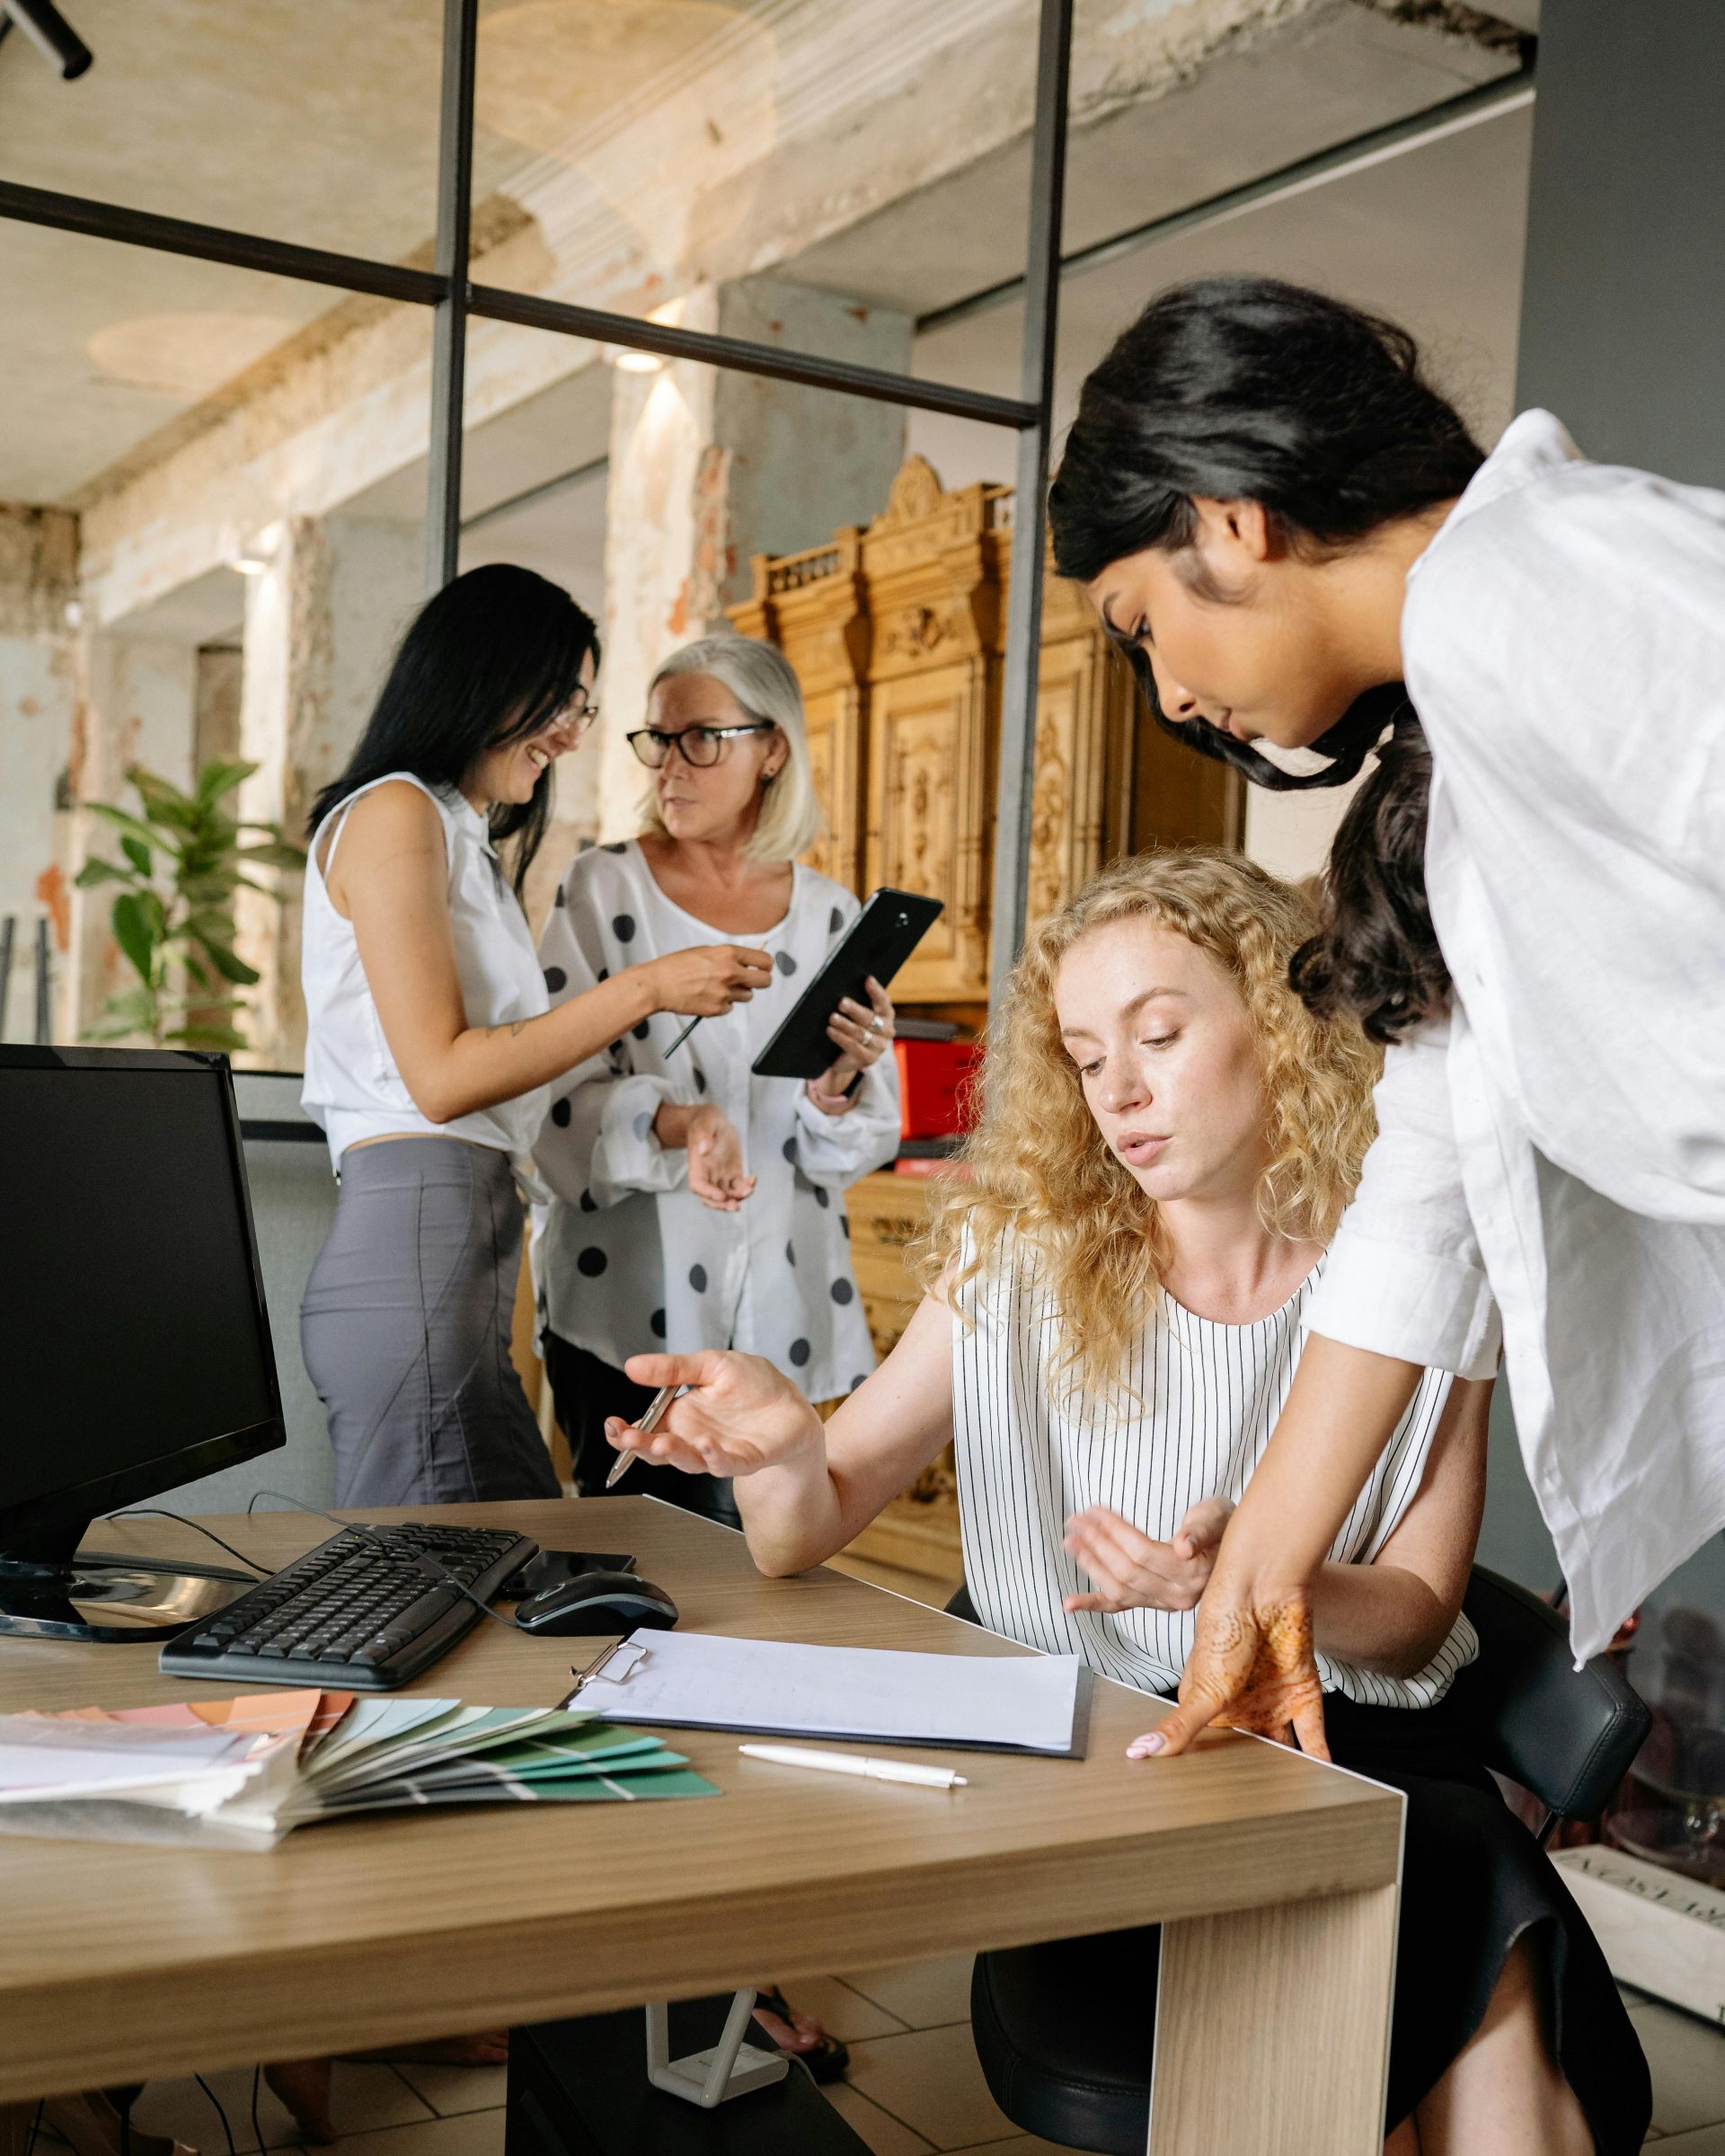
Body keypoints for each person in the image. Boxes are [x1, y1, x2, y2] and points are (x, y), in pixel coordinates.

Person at [596, 852, 1649, 2155]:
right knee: (1464, 2012)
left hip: (1347, 1758)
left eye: (1158, 1035)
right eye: (1089, 1059)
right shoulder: (1015, 1259)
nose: (1122, 1094)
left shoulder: (1417, 1273)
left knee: (1487, 2038)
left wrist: (1258, 1584)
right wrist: (771, 1446)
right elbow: (806, 1525)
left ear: (1279, 1020)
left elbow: (1422, 1621)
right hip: (1113, 1780)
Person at [1043, 273, 1725, 1759]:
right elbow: (1423, 1202)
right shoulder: (1466, 746)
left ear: (1225, 518)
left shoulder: (1535, 588)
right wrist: (1255, 1595)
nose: (1168, 692)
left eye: (1139, 624)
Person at [298, 566, 772, 1508]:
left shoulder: (454, 833)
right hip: (416, 1240)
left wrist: (680, 1116)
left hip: (458, 1249)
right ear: (480, 675)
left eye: (584, 708)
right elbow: (440, 1076)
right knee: (443, 1594)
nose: (568, 730)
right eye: (556, 698)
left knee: (519, 1577)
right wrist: (646, 988)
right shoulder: (396, 812)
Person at [532, 632, 901, 1520]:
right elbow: (550, 1107)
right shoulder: (600, 890)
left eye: (702, 737)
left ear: (773, 748)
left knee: (772, 1566)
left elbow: (842, 1146)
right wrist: (680, 1123)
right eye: (658, 738)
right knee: (641, 1565)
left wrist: (838, 1082)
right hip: (625, 1312)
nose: (670, 764)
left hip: (786, 1300)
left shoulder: (831, 915)